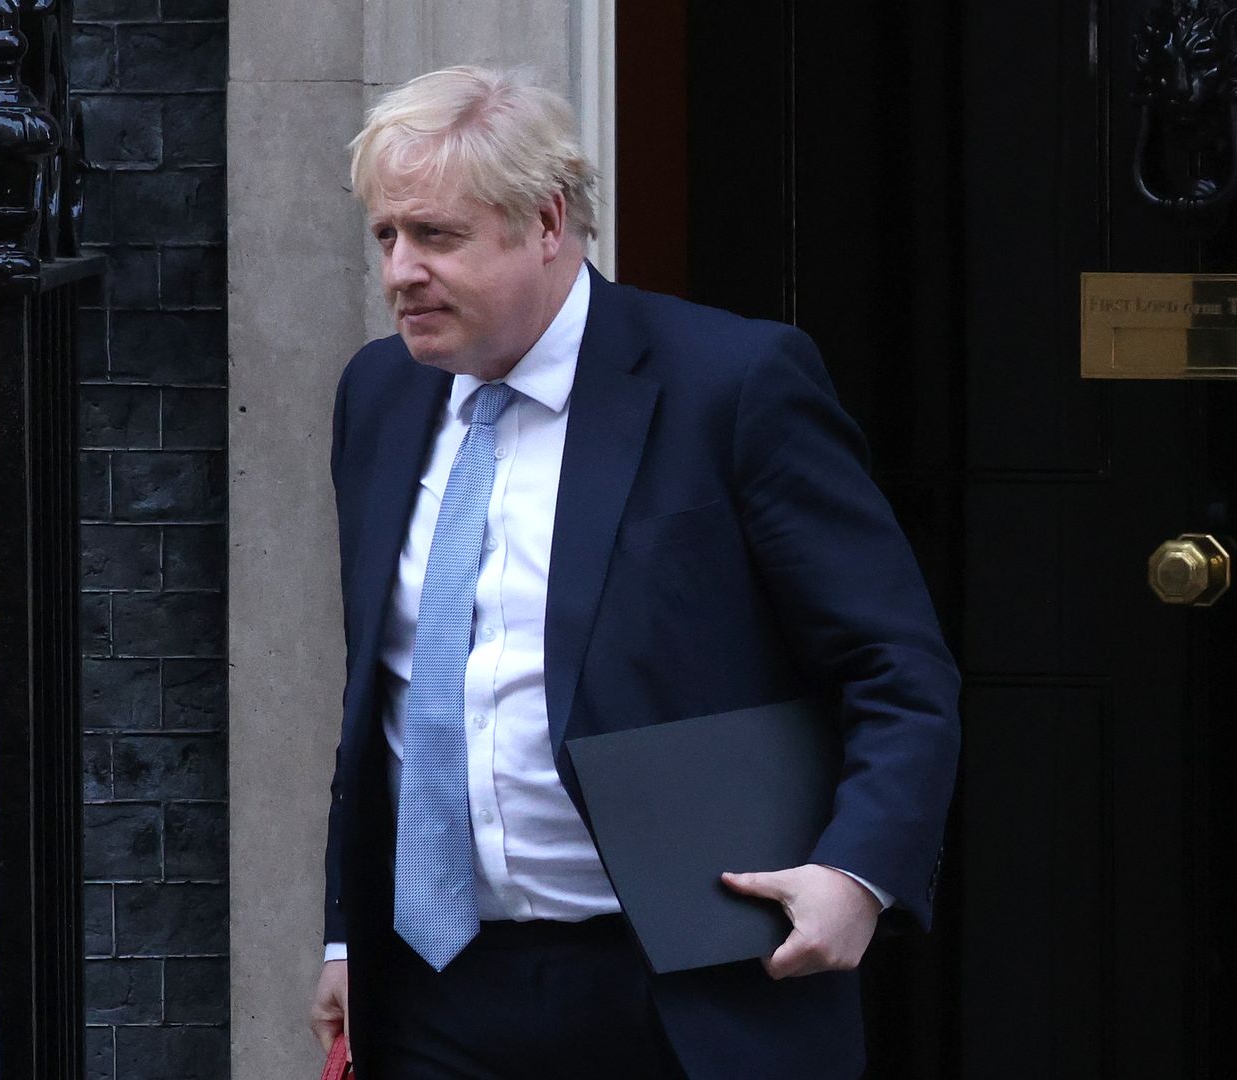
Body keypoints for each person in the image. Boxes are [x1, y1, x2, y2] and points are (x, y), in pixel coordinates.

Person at [308, 65, 960, 1080]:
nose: (400, 272)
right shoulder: (380, 396)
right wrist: (348, 937)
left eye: (437, 236)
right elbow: (384, 694)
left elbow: (896, 667)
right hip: (433, 992)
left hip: (683, 988)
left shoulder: (732, 385)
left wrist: (856, 873)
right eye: (386, 236)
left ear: (548, 223)